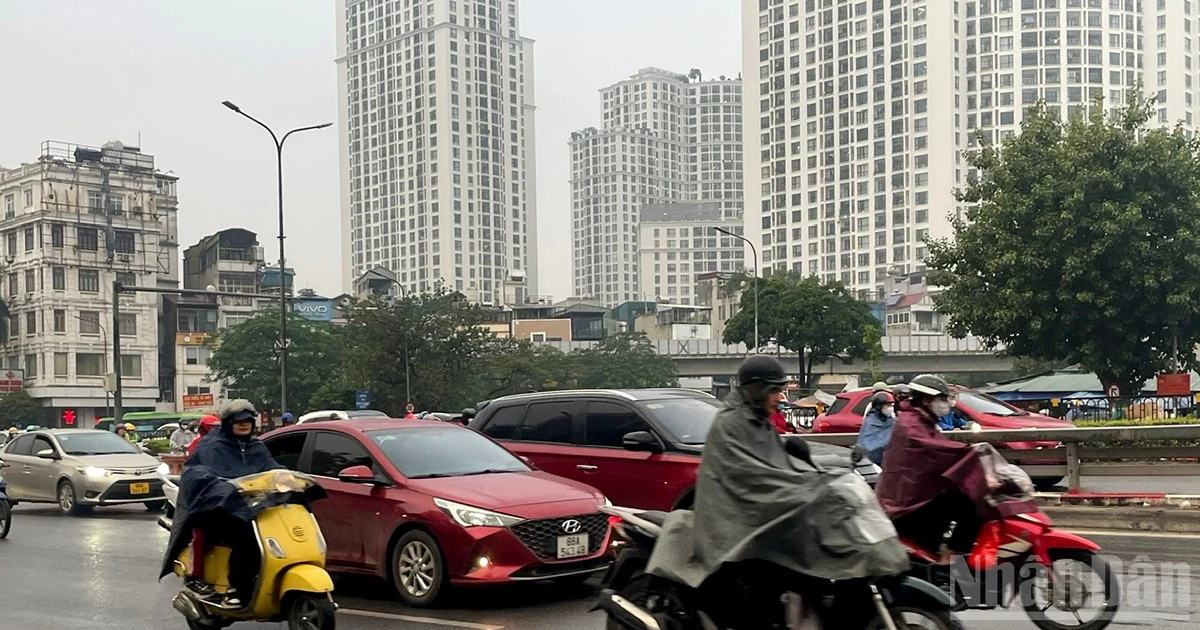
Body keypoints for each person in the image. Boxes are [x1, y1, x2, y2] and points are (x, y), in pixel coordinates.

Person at [643, 356, 909, 613]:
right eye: (775, 390)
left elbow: (780, 459)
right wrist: (808, 489)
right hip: (733, 523)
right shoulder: (732, 424)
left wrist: (829, 468)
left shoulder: (756, 420)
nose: (781, 397)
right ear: (757, 389)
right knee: (771, 586)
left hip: (755, 516)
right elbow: (755, 478)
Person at [160, 400, 284, 608]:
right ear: (228, 423)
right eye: (238, 421)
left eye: (247, 421)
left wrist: (285, 476)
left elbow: (271, 468)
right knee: (245, 537)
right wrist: (219, 486)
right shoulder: (212, 446)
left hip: (252, 505)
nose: (244, 424)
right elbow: (196, 472)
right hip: (217, 508)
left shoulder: (258, 447)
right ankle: (237, 588)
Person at [875, 374, 990, 563]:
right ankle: (950, 562)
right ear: (926, 399)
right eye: (942, 398)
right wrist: (971, 454)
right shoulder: (911, 424)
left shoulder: (922, 421)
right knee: (973, 504)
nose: (946, 403)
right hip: (906, 503)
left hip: (916, 495)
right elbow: (938, 451)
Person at [856, 391, 896, 465]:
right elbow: (868, 445)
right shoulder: (870, 421)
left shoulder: (891, 419)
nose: (890, 408)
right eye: (887, 405)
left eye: (891, 405)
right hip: (872, 463)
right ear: (879, 406)